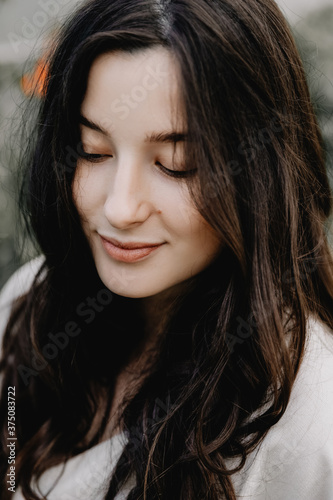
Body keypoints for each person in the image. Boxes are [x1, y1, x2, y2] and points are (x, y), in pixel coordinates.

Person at [1, 0, 333, 498]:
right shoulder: (31, 298)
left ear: (259, 174)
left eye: (177, 164)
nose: (120, 208)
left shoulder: (305, 426)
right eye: (94, 152)